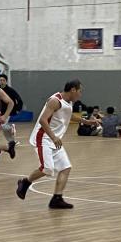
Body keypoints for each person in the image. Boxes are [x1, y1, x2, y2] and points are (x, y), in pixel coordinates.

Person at [16, 79, 98, 209]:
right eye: (79, 91)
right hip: (43, 137)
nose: (80, 94)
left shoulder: (69, 102)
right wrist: (53, 137)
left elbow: (68, 115)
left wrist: (86, 122)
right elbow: (43, 120)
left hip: (54, 140)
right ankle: (25, 182)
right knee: (47, 169)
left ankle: (57, 199)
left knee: (65, 168)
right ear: (73, 90)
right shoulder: (55, 101)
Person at [0, 73, 23, 155]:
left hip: (8, 112)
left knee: (3, 126)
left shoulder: (11, 90)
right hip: (0, 112)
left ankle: (11, 128)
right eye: (0, 80)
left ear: (6, 81)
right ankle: (12, 142)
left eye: (3, 80)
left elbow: (19, 99)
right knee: (4, 130)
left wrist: (18, 109)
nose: (2, 82)